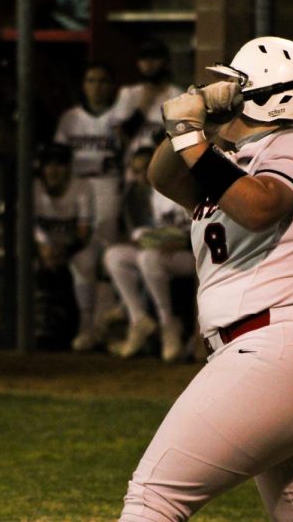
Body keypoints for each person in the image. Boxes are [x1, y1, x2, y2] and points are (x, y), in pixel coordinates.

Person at [119, 36, 293, 521]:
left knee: (154, 498)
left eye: (235, 83)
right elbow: (163, 176)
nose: (223, 88)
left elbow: (259, 208)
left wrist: (191, 134)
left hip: (281, 350)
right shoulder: (231, 163)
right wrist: (198, 127)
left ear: (264, 96)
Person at [53, 61, 124, 350]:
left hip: (108, 184)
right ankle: (87, 325)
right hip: (78, 187)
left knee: (106, 253)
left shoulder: (120, 116)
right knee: (81, 257)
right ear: (84, 85)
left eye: (103, 80)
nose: (97, 86)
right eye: (91, 80)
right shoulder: (71, 118)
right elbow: (58, 156)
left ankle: (102, 326)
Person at [104, 146, 195, 363]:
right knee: (115, 256)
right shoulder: (153, 194)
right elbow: (157, 230)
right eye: (137, 171)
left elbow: (205, 227)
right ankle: (138, 319)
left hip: (197, 256)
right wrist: (151, 237)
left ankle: (167, 324)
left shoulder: (188, 183)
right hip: (168, 253)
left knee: (149, 258)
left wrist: (182, 240)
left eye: (146, 169)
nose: (141, 176)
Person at [32, 142, 96, 350]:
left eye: (60, 164)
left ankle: (86, 326)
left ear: (69, 167)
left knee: (85, 263)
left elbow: (83, 234)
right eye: (49, 164)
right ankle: (31, 324)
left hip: (73, 247)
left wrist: (61, 252)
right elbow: (27, 227)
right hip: (43, 249)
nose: (53, 170)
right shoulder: (34, 187)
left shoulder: (83, 187)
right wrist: (44, 248)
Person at [112, 37, 183, 176]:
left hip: (163, 169)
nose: (148, 64)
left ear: (165, 62)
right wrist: (144, 103)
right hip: (133, 170)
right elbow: (121, 136)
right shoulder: (128, 94)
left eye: (154, 58)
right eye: (144, 59)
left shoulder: (177, 95)